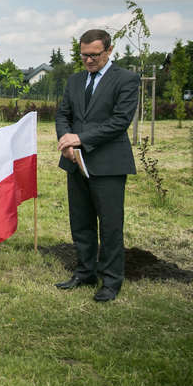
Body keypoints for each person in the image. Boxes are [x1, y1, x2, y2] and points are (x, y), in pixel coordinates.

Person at [55, 28, 140, 302]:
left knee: (111, 225)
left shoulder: (126, 79)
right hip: (75, 162)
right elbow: (63, 115)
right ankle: (85, 272)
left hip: (108, 164)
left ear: (109, 51)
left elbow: (119, 122)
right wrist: (66, 144)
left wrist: (80, 138)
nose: (89, 61)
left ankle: (111, 281)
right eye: (84, 56)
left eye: (94, 55)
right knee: (81, 222)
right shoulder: (75, 80)